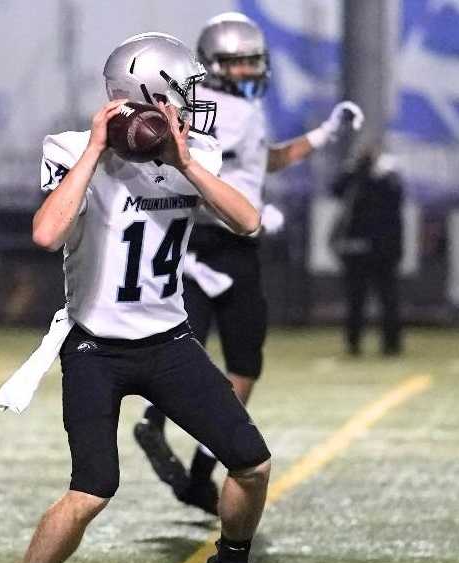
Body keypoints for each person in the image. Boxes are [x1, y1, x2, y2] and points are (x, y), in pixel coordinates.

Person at [0, 32, 292, 563]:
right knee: (91, 491)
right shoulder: (72, 148)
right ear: (147, 95)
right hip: (94, 347)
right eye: (182, 91)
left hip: (169, 340)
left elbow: (249, 220)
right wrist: (97, 151)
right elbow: (47, 233)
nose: (193, 103)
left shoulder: (193, 149)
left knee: (254, 465)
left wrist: (185, 165)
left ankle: (230, 562)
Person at [134, 12, 364, 515]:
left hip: (218, 245)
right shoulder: (215, 107)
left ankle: (181, 453)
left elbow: (266, 159)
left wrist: (324, 134)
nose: (250, 70)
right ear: (214, 66)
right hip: (213, 244)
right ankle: (170, 438)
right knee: (215, 359)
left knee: (222, 359)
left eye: (253, 61)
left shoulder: (235, 108)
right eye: (238, 63)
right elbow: (192, 155)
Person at [330, 144, 405, 356]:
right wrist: (355, 170)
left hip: (382, 250)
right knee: (356, 299)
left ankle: (391, 344)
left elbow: (395, 199)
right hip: (358, 248)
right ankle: (354, 343)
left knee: (387, 299)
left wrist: (373, 175)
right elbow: (336, 189)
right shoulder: (355, 176)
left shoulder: (387, 178)